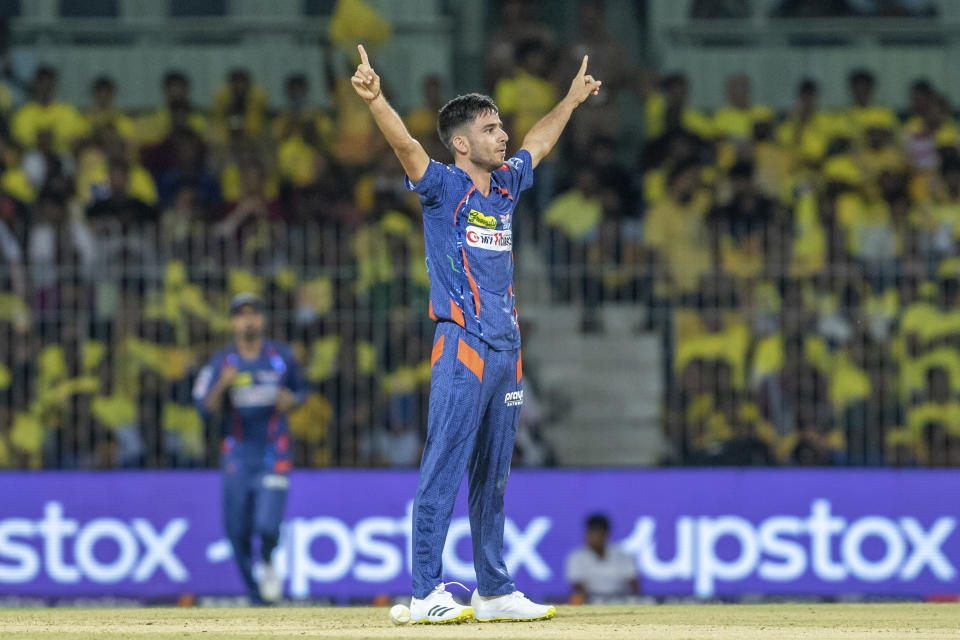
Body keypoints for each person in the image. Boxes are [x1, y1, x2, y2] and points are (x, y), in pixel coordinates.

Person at [352, 43, 600, 623]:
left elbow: (539, 140)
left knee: (494, 475)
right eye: (491, 129)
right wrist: (376, 99)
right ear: (461, 143)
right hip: (462, 344)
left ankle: (492, 590)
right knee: (443, 464)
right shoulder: (440, 187)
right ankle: (425, 592)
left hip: (507, 351)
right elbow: (405, 146)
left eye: (501, 126)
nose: (503, 136)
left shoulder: (508, 187)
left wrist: (568, 99)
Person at [192, 293, 306, 605]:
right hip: (237, 455)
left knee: (268, 526)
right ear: (232, 322)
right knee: (237, 532)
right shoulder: (222, 362)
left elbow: (300, 391)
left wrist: (291, 400)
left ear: (263, 319)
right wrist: (223, 384)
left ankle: (268, 559)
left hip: (274, 453)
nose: (248, 320)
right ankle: (257, 598)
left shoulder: (281, 356)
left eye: (253, 314)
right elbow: (203, 407)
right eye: (241, 315)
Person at [565, 514, 638, 603]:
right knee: (575, 600)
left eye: (596, 534)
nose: (591, 538)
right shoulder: (576, 556)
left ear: (605, 534)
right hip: (590, 601)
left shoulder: (622, 555)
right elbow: (577, 587)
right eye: (589, 533)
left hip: (620, 600)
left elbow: (633, 584)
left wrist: (634, 601)